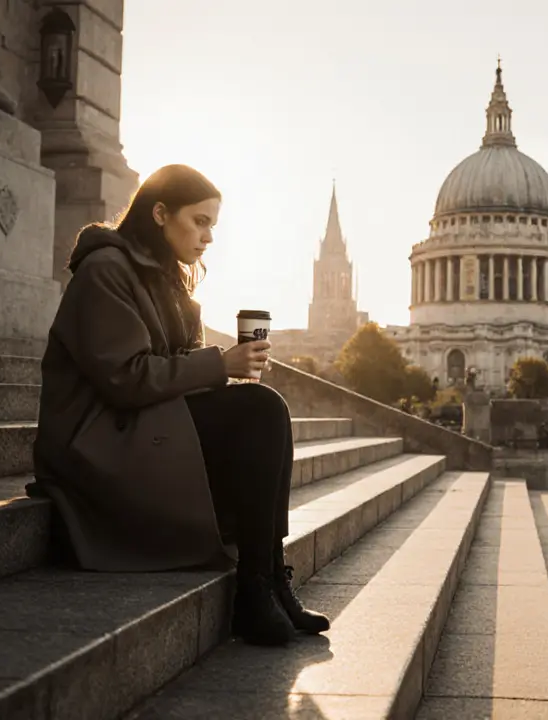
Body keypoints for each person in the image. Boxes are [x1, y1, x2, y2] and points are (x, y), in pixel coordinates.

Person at [28, 164, 329, 647]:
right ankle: (256, 589)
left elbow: (175, 366)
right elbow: (126, 378)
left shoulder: (169, 281)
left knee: (261, 406)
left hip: (141, 425)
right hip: (99, 442)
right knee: (261, 410)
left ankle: (269, 577)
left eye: (214, 225)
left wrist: (226, 371)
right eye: (201, 221)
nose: (209, 237)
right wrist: (218, 364)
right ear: (161, 214)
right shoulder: (105, 271)